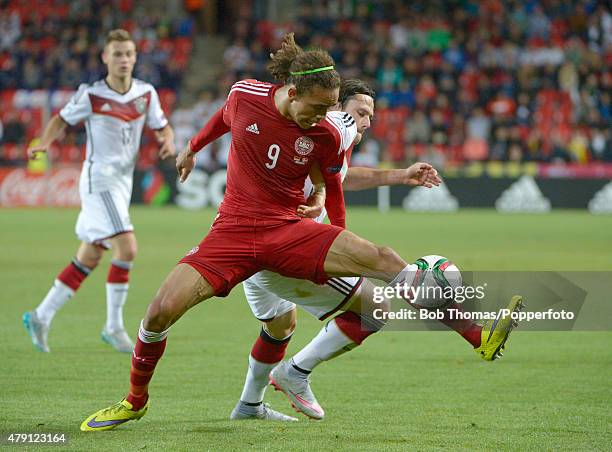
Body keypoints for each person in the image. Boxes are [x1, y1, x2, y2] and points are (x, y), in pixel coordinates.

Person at [80, 33, 521, 431]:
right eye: (315, 108)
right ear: (292, 92)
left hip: (286, 229)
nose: (321, 117)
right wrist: (193, 148)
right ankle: (135, 401)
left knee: (382, 262)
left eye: (330, 109)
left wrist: (340, 238)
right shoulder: (246, 96)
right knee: (158, 312)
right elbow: (222, 117)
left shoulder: (326, 133)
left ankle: (476, 337)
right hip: (231, 232)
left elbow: (335, 188)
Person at [231, 79, 523, 421]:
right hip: (282, 248)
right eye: (360, 112)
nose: (367, 122)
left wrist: (400, 176)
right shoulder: (312, 136)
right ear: (335, 108)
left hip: (249, 244)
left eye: (371, 116)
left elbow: (339, 178)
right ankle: (477, 337)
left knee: (279, 326)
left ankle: (249, 405)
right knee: (378, 303)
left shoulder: (322, 138)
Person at [22, 29, 176, 354]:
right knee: (128, 247)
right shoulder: (91, 95)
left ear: (135, 58)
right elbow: (60, 120)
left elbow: (162, 126)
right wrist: (44, 144)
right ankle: (113, 326)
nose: (123, 59)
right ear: (105, 58)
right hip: (99, 179)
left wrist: (168, 142)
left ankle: (41, 315)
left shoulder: (146, 93)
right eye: (117, 54)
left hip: (122, 182)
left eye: (128, 54)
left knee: (90, 255)